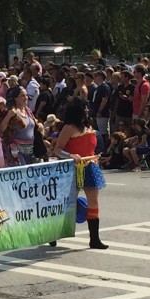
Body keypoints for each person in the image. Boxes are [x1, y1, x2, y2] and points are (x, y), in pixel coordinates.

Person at [52, 98, 108, 249]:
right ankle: (54, 233)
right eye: (85, 108)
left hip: (90, 166)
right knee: (69, 203)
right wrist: (70, 155)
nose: (87, 110)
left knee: (94, 202)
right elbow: (57, 149)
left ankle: (94, 239)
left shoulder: (90, 126)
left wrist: (96, 156)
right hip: (73, 169)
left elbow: (91, 148)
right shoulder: (68, 128)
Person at [0, 87, 37, 166]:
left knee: (29, 174)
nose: (26, 98)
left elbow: (34, 125)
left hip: (31, 149)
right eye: (22, 96)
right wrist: (8, 116)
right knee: (22, 172)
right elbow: (1, 129)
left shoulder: (28, 111)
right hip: (16, 149)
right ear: (16, 99)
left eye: (26, 95)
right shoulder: (12, 112)